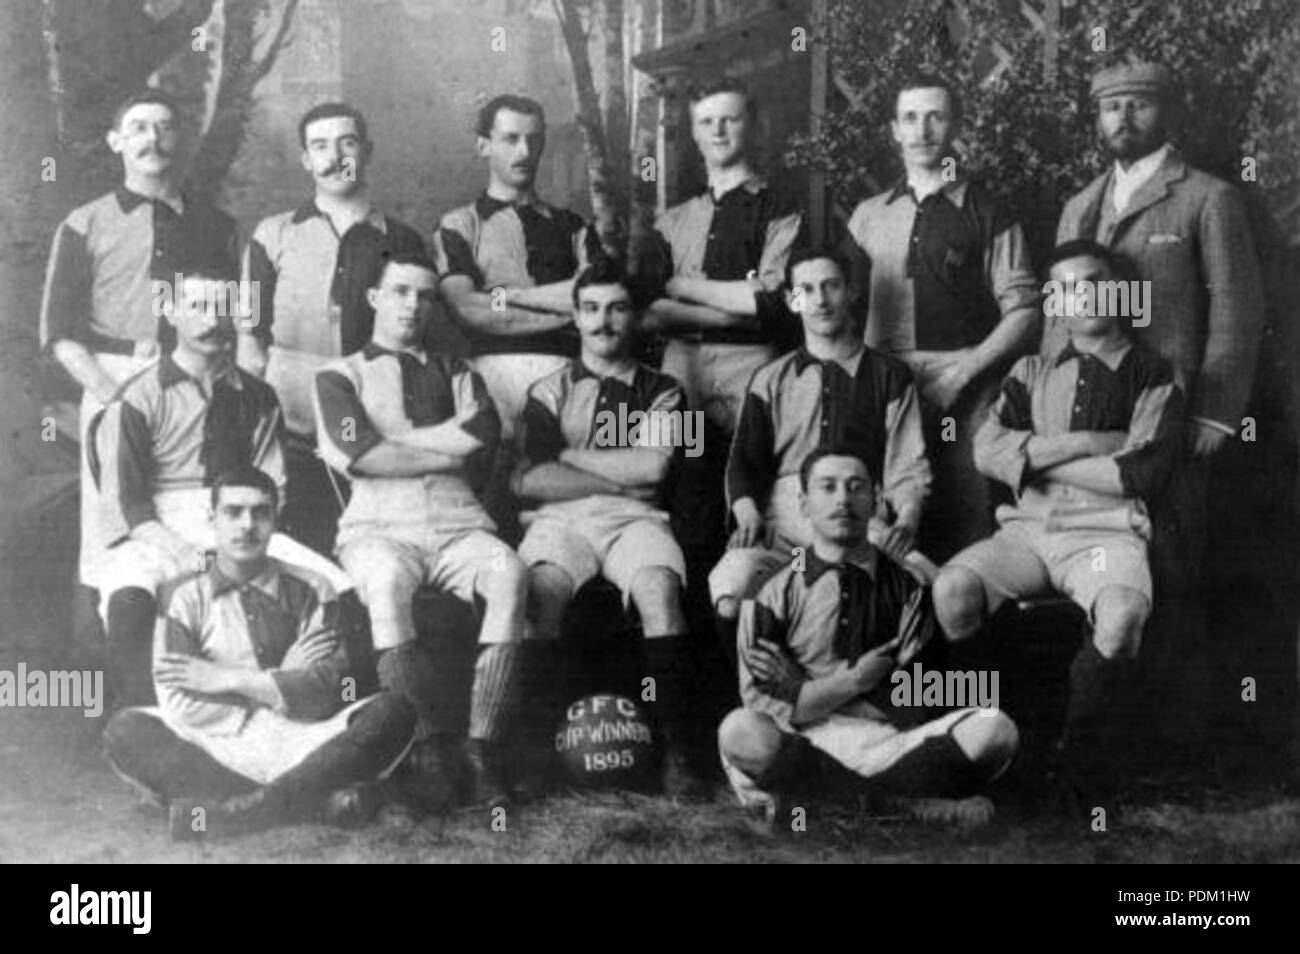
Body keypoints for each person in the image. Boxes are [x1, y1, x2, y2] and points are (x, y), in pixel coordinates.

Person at [1050, 61, 1266, 755]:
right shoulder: (1082, 204)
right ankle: (1097, 745)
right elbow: (1059, 316)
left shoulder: (1208, 198)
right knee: (1098, 568)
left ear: (1165, 111)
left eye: (1137, 105)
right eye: (1110, 106)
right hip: (1092, 432)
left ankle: (1173, 749)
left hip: (1171, 428)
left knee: (1172, 569)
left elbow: (1237, 309)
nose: (1122, 119)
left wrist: (1214, 413)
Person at [933, 240, 1185, 804]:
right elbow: (986, 452)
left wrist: (1035, 456)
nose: (1083, 294)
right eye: (1067, 287)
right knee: (952, 589)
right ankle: (987, 753)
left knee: (1120, 619)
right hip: (1027, 532)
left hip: (1105, 535)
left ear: (1117, 289)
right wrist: (1087, 443)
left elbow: (1136, 474)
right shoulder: (1030, 370)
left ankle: (1072, 771)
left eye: (1094, 280)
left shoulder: (1153, 373)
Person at [313, 250, 528, 809]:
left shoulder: (459, 369)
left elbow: (482, 433)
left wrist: (395, 444)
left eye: (426, 294)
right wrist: (441, 445)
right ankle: (428, 749)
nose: (414, 305)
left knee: (510, 572)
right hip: (378, 527)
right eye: (401, 291)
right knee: (384, 582)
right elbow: (361, 456)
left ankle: (483, 750)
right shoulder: (339, 376)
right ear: (375, 299)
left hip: (459, 524)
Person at [103, 467, 415, 841]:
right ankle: (316, 801)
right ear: (212, 520)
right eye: (233, 512)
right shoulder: (183, 597)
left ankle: (240, 813)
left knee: (394, 710)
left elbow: (329, 690)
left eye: (260, 512)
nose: (247, 525)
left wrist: (227, 679)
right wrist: (282, 681)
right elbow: (181, 701)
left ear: (275, 520)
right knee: (125, 730)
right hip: (222, 744)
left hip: (305, 738)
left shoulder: (315, 587)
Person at [717, 449, 1019, 830]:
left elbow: (914, 699)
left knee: (995, 728)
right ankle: (905, 810)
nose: (843, 499)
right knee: (739, 731)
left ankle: (832, 807)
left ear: (876, 500)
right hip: (802, 744)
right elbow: (763, 701)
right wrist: (857, 680)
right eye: (827, 487)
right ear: (804, 503)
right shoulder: (770, 590)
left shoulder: (909, 586)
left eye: (855, 486)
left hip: (887, 747)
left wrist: (802, 690)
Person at [90, 262, 347, 709]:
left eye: (220, 307)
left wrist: (243, 537)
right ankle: (141, 724)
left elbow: (274, 485)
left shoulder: (257, 395)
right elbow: (126, 503)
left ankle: (316, 710)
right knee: (130, 596)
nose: (210, 319)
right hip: (155, 525)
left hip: (239, 515)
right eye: (196, 306)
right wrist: (184, 552)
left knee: (337, 588)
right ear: (170, 312)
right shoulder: (136, 397)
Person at [40, 88, 237, 625]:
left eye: (165, 126)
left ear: (181, 138)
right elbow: (59, 334)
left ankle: (199, 644)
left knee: (195, 514)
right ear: (116, 141)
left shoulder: (215, 225)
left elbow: (229, 318)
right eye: (140, 127)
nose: (153, 138)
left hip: (195, 377)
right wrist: (116, 396)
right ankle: (115, 659)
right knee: (115, 530)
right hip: (112, 377)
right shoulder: (84, 222)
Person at [513, 259, 704, 796]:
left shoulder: (664, 389)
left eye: (617, 308)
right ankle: (535, 754)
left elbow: (655, 469)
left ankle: (678, 752)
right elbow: (531, 479)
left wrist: (570, 456)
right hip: (561, 521)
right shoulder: (547, 389)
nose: (603, 322)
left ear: (636, 317)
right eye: (591, 309)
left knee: (660, 592)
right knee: (540, 593)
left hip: (637, 519)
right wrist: (617, 473)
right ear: (574, 316)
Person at [843, 73, 1039, 562]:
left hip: (967, 385)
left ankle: (965, 630)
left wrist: (962, 373)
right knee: (884, 516)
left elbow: (1027, 311)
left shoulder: (987, 210)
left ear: (955, 126)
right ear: (894, 129)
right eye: (910, 118)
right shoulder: (868, 215)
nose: (923, 130)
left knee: (966, 512)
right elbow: (839, 310)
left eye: (936, 116)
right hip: (887, 385)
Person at [238, 102, 426, 554]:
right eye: (319, 145)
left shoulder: (401, 239)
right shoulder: (272, 233)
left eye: (347, 142)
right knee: (298, 535)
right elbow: (250, 338)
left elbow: (416, 337)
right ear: (305, 158)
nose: (334, 155)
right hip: (291, 417)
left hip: (371, 416)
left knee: (375, 542)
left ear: (367, 151)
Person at [710, 246, 932, 630]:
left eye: (831, 286)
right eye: (807, 290)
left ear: (852, 292)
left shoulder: (889, 375)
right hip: (785, 514)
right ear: (792, 301)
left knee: (927, 580)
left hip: (855, 511)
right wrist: (747, 512)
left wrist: (908, 520)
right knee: (734, 581)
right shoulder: (770, 378)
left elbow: (907, 464)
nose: (820, 300)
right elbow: (745, 461)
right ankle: (757, 690)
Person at [641, 79, 804, 598]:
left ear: (750, 125)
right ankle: (687, 639)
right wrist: (740, 298)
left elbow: (775, 304)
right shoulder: (672, 220)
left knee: (749, 496)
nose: (719, 130)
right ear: (693, 132)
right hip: (683, 369)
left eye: (730, 119)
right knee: (687, 496)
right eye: (707, 121)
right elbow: (652, 310)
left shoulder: (780, 208)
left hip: (751, 368)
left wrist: (684, 287)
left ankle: (738, 628)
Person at [434, 94, 596, 531]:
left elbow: (595, 306)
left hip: (567, 376)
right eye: (509, 139)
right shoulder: (458, 225)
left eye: (533, 140)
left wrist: (502, 295)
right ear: (483, 145)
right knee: (490, 508)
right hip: (491, 378)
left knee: (562, 507)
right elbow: (471, 311)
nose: (524, 152)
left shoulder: (574, 226)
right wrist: (565, 302)